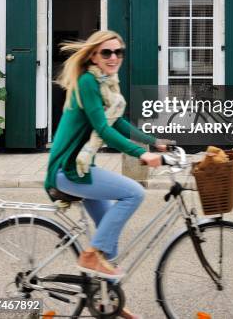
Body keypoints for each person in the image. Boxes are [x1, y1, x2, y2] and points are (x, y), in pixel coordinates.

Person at [44, 30, 168, 319]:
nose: (114, 58)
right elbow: (104, 130)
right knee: (133, 192)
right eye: (106, 52)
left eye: (118, 52)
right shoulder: (88, 81)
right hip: (67, 171)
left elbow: (119, 123)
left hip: (81, 169)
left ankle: (107, 301)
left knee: (107, 240)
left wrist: (153, 141)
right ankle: (89, 257)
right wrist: (142, 155)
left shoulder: (106, 83)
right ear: (93, 56)